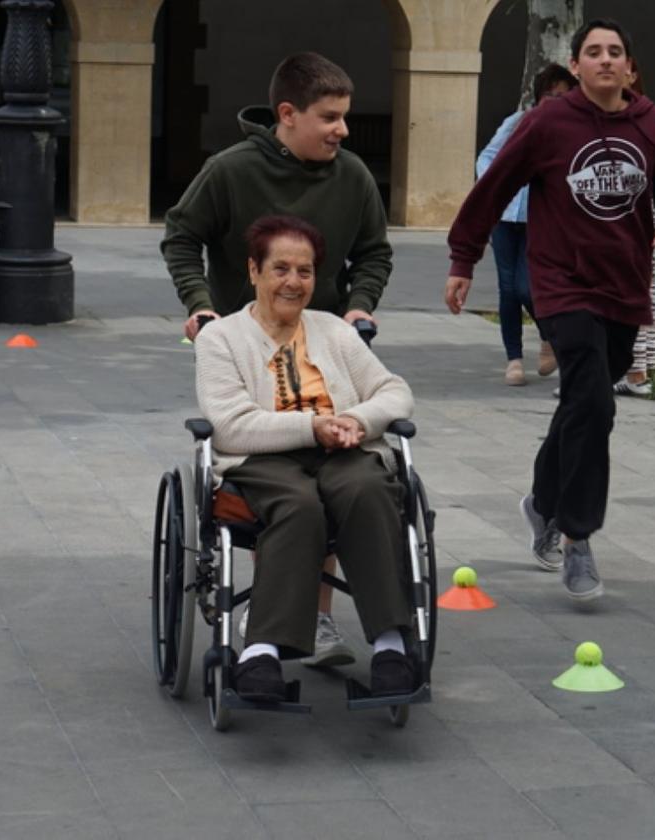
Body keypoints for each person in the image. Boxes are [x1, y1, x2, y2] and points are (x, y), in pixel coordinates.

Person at [444, 19, 655, 599]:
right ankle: (578, 539)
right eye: (593, 52)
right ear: (578, 67)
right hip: (561, 284)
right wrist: (464, 258)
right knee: (596, 406)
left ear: (630, 68)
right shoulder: (548, 123)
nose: (605, 60)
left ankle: (542, 503)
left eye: (615, 52)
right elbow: (494, 186)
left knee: (583, 406)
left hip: (624, 289)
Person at [163, 51, 392, 665]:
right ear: (287, 115)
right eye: (331, 118)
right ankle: (276, 620)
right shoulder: (230, 171)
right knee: (285, 488)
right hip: (243, 344)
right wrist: (201, 303)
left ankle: (313, 620)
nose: (343, 130)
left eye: (344, 118)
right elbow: (181, 235)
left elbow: (374, 252)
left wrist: (359, 307)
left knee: (342, 478)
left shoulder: (353, 177)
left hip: (323, 339)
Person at [195, 215, 415, 700]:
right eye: (281, 269)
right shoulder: (221, 338)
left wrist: (357, 420)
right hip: (261, 458)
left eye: (306, 271)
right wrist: (310, 426)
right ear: (253, 271)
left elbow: (394, 391)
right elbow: (230, 424)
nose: (294, 282)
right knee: (298, 506)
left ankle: (391, 644)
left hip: (342, 449)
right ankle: (261, 653)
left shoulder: (334, 330)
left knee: (368, 488)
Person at [477, 64, 574, 386]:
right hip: (504, 216)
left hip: (540, 218)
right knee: (506, 289)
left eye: (564, 96)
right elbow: (486, 157)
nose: (556, 101)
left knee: (525, 286)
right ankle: (514, 359)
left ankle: (550, 337)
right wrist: (498, 183)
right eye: (550, 95)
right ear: (538, 96)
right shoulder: (517, 122)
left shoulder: (571, 130)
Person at [616, 57, 655, 397]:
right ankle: (628, 369)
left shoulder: (649, 121)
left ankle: (638, 371)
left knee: (640, 297)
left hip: (639, 224)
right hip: (608, 224)